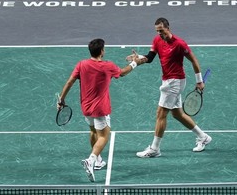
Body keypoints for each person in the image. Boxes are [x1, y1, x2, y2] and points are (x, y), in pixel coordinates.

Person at [57, 38, 142, 182]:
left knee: (93, 131)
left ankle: (97, 161)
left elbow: (70, 82)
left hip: (86, 107)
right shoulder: (107, 66)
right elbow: (122, 72)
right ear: (102, 51)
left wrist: (61, 100)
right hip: (100, 109)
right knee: (103, 136)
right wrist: (135, 62)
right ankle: (91, 160)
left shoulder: (81, 64)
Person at [129, 17, 212, 158]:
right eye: (157, 31)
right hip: (167, 80)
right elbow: (150, 58)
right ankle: (203, 137)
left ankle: (155, 149)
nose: (159, 34)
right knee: (177, 114)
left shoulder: (180, 44)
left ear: (168, 28)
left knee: (161, 114)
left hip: (175, 81)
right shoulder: (157, 40)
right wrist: (138, 59)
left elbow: (194, 60)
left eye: (161, 31)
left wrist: (199, 81)